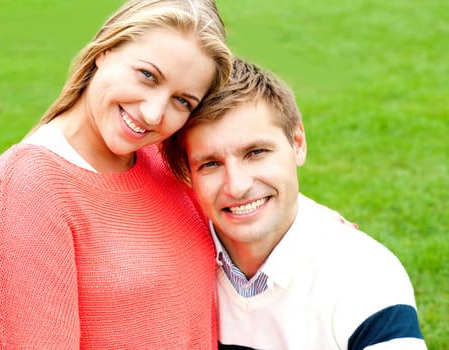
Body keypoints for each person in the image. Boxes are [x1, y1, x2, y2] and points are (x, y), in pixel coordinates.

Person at [0, 0, 232, 348]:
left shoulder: (165, 161)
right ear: (105, 50)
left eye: (182, 101)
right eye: (147, 76)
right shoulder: (29, 186)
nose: (154, 115)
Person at [161, 58, 427, 349]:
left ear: (297, 142)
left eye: (256, 152)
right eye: (210, 163)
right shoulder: (171, 261)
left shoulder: (365, 276)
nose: (237, 186)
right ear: (187, 173)